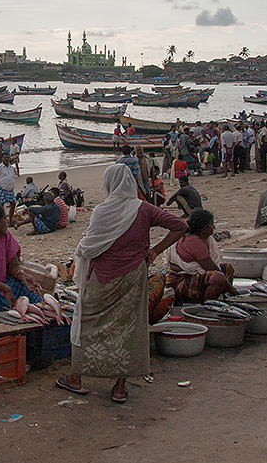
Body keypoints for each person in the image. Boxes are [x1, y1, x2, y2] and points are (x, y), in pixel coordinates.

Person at [56, 165, 186, 403]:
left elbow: (90, 245)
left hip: (100, 278)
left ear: (109, 185)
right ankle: (119, 386)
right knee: (129, 328)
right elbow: (180, 225)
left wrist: (155, 250)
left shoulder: (101, 212)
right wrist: (155, 251)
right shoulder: (144, 209)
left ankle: (76, 378)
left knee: (87, 323)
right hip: (132, 279)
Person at [165, 208, 237, 303]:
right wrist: (231, 289)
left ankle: (220, 297)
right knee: (218, 278)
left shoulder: (202, 239)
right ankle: (208, 306)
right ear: (205, 228)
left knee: (227, 267)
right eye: (212, 225)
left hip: (193, 276)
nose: (214, 227)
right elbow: (210, 267)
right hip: (181, 283)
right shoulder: (195, 242)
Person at [0, 152, 18, 226]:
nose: (6, 159)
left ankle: (10, 219)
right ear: (2, 159)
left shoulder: (11, 168)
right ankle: (2, 220)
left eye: (8, 157)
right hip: (2, 188)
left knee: (13, 203)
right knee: (1, 206)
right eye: (5, 158)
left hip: (10, 189)